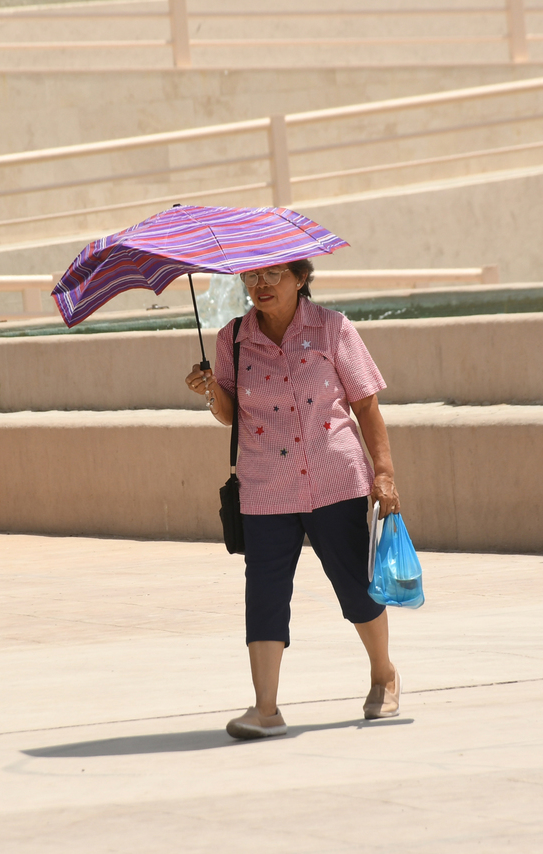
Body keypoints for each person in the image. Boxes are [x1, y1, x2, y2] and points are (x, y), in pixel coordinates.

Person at [185, 259, 402, 740]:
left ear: (300, 278)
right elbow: (230, 414)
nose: (260, 285)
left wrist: (384, 473)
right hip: (266, 486)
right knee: (264, 594)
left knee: (355, 586)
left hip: (335, 480)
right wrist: (211, 391)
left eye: (273, 275)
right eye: (251, 277)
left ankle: (384, 675)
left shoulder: (332, 328)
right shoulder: (232, 339)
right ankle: (265, 709)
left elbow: (366, 404)